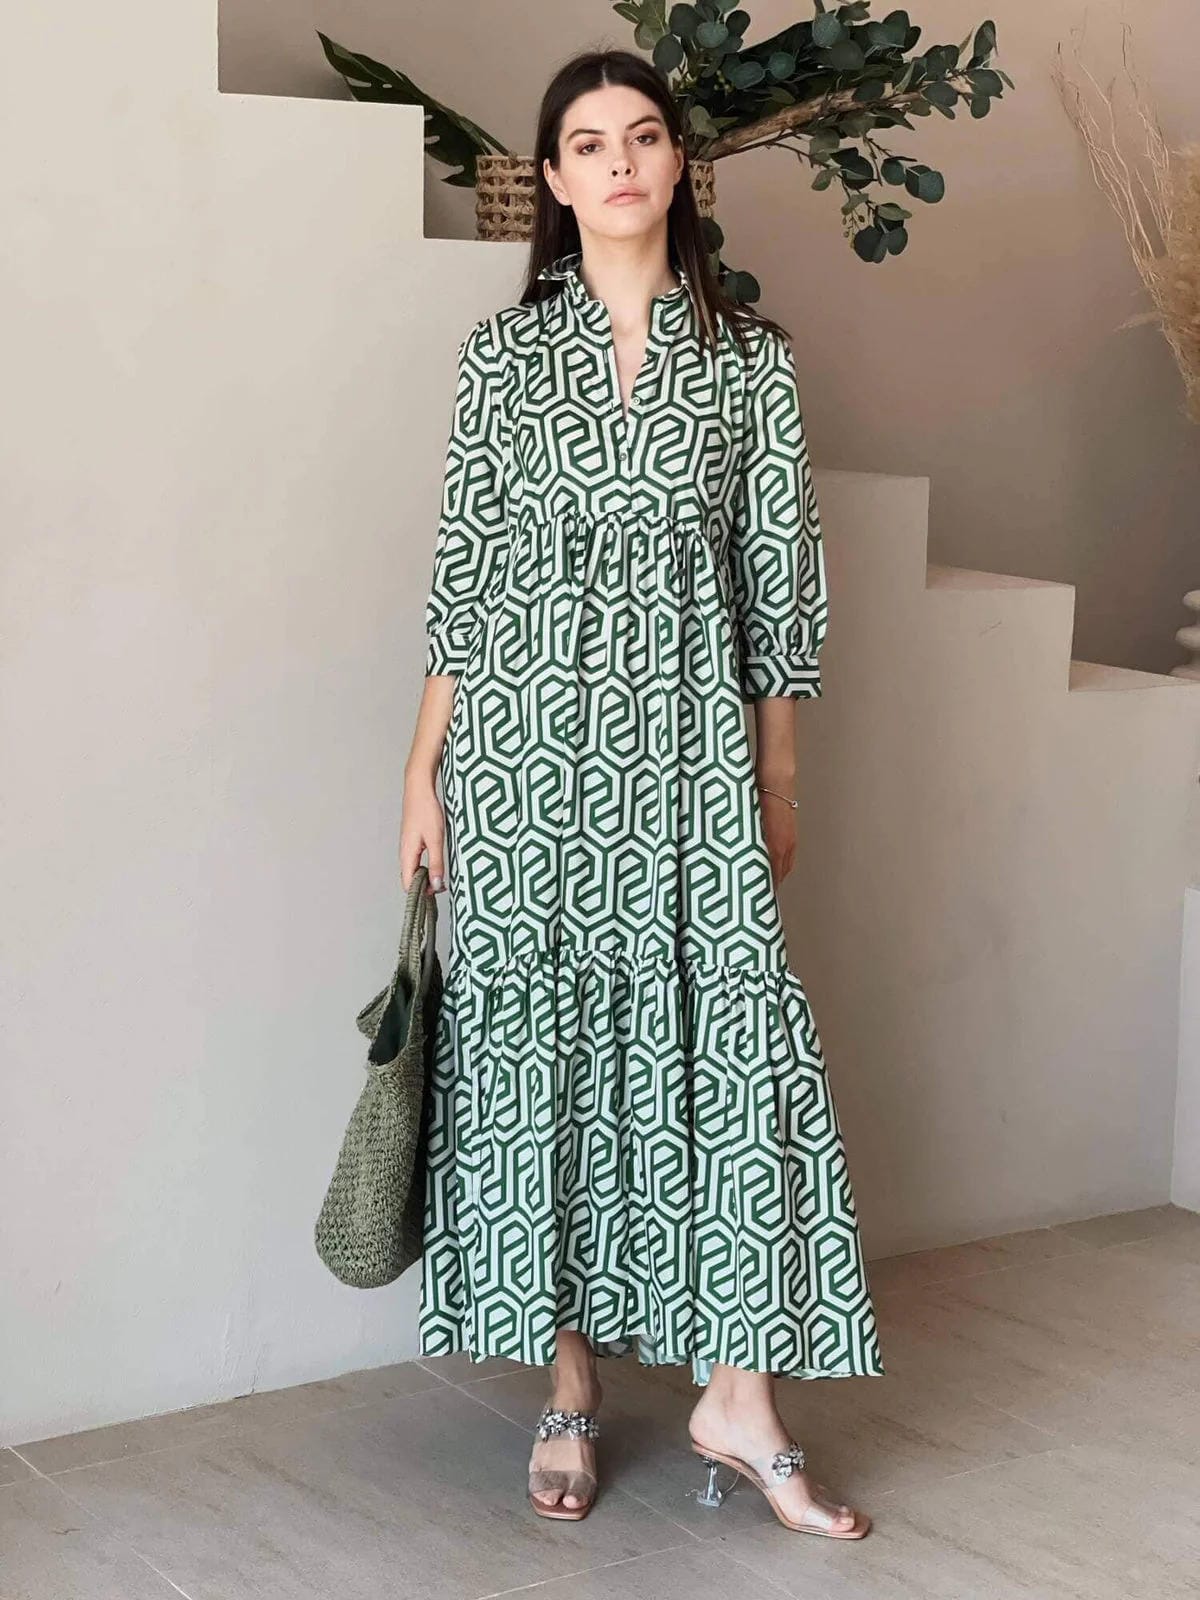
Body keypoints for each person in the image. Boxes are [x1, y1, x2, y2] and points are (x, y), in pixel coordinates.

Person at [399, 47, 884, 1538]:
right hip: (525, 760)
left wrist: (779, 773)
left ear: (680, 164)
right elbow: (467, 580)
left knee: (733, 1050)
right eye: (589, 142)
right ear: (552, 179)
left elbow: (779, 583)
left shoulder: (750, 361)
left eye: (645, 135)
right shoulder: (504, 357)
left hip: (689, 760)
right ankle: (568, 1384)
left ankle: (739, 1400)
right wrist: (420, 772)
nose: (619, 160)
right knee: (538, 1052)